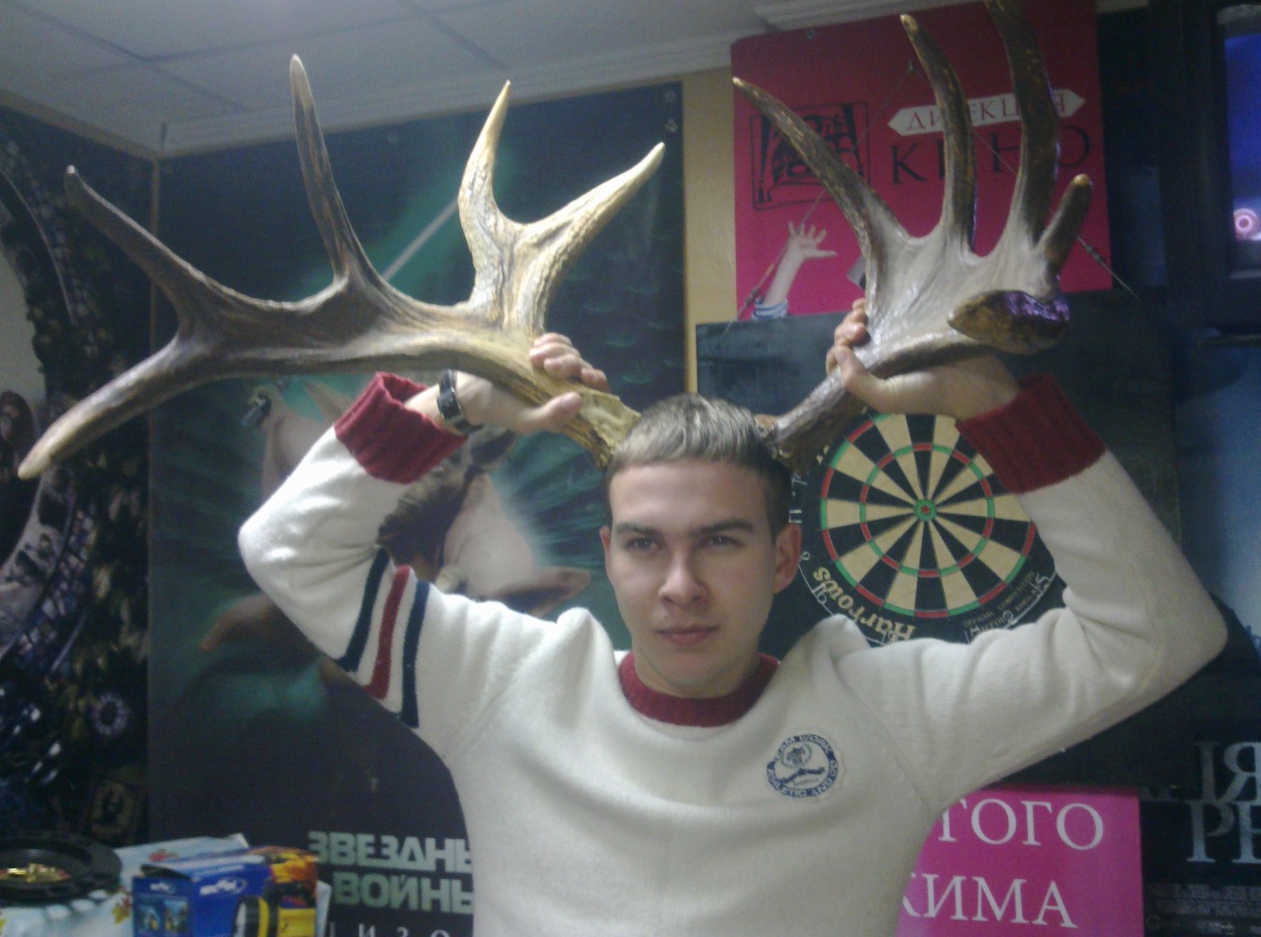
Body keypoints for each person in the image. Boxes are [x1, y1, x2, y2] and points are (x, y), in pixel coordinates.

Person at [239, 303, 1226, 936]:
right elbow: (285, 551)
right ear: (609, 552)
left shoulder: (890, 714)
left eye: (719, 541)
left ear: (784, 557)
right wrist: (447, 406)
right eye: (643, 544)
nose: (679, 585)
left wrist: (991, 402)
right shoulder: (499, 682)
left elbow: (1159, 635)